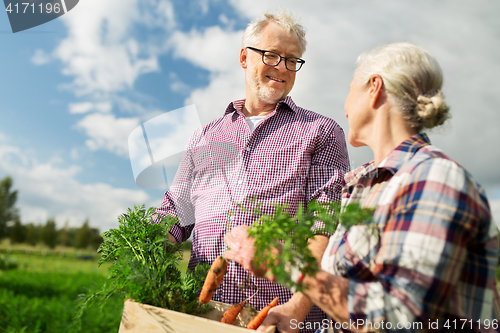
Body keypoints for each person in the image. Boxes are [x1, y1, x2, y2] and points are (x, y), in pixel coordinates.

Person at [224, 42, 500, 332]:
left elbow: (400, 318)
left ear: (374, 89)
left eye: (349, 89)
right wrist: (293, 319)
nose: (344, 106)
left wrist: (286, 265)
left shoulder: (434, 178)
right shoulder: (363, 187)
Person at [153, 9, 350, 333]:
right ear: (245, 57)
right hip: (201, 313)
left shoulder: (320, 131)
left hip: (278, 317)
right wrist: (142, 248)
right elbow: (177, 211)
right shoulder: (204, 137)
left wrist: (297, 308)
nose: (282, 69)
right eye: (272, 56)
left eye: (292, 60)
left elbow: (324, 224)